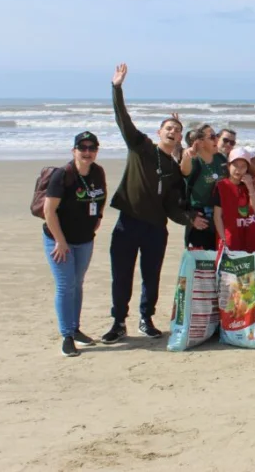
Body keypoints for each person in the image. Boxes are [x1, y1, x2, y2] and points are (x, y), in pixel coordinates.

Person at [103, 64, 208, 344]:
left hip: (155, 228)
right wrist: (117, 87)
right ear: (159, 131)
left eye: (177, 129)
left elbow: (173, 206)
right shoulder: (141, 148)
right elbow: (122, 119)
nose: (173, 131)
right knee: (121, 275)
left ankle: (146, 319)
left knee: (151, 275)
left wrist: (189, 219)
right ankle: (118, 322)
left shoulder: (175, 168)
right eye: (169, 128)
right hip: (128, 223)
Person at [42, 131, 107, 356]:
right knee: (65, 285)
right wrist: (60, 242)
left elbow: (101, 197)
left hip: (85, 240)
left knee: (77, 283)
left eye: (92, 148)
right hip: (59, 240)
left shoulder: (97, 172)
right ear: (74, 151)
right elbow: (48, 211)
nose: (87, 152)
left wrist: (98, 218)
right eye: (83, 148)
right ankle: (67, 336)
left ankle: (76, 329)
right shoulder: (63, 175)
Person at [180, 123, 227, 250]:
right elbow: (184, 171)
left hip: (220, 216)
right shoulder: (194, 161)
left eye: (216, 135)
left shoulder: (220, 158)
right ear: (200, 142)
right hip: (199, 218)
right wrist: (187, 156)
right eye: (212, 137)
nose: (217, 139)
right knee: (200, 265)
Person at [213, 148, 255, 252]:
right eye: (235, 165)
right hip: (230, 238)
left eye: (243, 166)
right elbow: (217, 217)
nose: (238, 170)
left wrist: (250, 187)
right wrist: (223, 239)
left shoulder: (251, 186)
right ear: (228, 166)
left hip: (249, 235)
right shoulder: (221, 186)